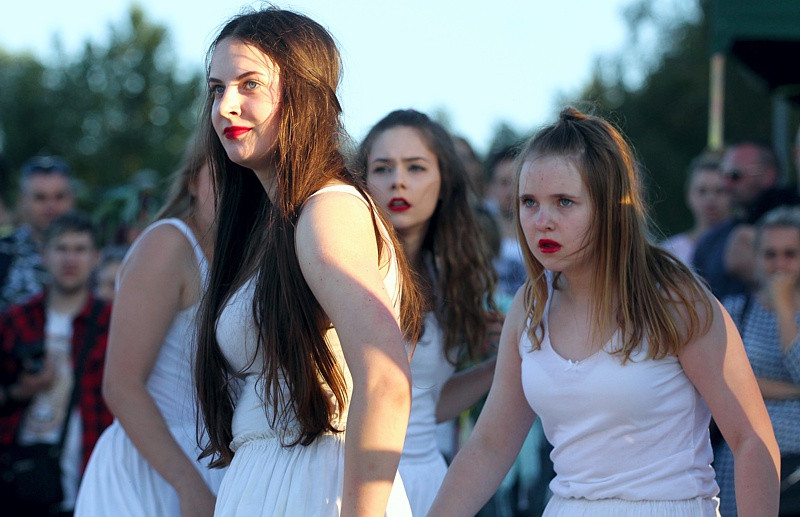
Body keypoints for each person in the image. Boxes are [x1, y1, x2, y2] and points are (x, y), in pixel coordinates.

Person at [428, 107, 780, 516]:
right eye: (529, 202)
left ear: (612, 205)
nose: (542, 221)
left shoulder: (676, 299)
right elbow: (490, 446)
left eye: (564, 202)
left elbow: (752, 440)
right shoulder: (530, 304)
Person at [194, 8, 422, 516]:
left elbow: (385, 379)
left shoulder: (328, 211)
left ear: (302, 95)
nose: (226, 106)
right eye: (217, 88)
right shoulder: (267, 226)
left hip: (316, 484)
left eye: (249, 84)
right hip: (268, 482)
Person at [357, 109, 499, 515]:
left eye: (415, 168)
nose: (398, 180)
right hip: (360, 481)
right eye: (383, 168)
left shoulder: (447, 276)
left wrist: (503, 361)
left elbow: (426, 402)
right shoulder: (350, 267)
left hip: (429, 482)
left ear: (443, 185)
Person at [74, 140, 223, 516]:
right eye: (222, 173)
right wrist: (190, 488)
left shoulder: (248, 257)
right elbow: (121, 386)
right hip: (155, 468)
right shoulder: (168, 244)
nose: (238, 185)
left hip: (221, 462)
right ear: (192, 180)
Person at [0, 212, 112, 516]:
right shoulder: (14, 320)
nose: (70, 259)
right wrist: (18, 393)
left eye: (80, 249)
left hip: (88, 472)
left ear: (95, 257)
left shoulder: (113, 322)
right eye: (61, 249)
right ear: (44, 255)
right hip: (18, 477)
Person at [716, 205, 800, 516]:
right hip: (746, 461)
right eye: (770, 254)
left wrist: (783, 307)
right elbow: (731, 384)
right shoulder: (736, 310)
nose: (780, 264)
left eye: (790, 254)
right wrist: (795, 391)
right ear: (756, 257)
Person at [692, 141, 782, 299]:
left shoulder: (790, 231)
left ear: (767, 175)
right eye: (724, 175)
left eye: (735, 175)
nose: (726, 183)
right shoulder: (710, 241)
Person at [0, 156, 76, 312]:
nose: (51, 206)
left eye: (59, 197)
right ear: (23, 201)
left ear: (71, 200)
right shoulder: (4, 250)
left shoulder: (93, 254)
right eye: (40, 198)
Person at [660, 152, 730, 265]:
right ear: (689, 195)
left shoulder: (739, 248)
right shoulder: (670, 251)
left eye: (719, 191)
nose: (710, 199)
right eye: (702, 191)